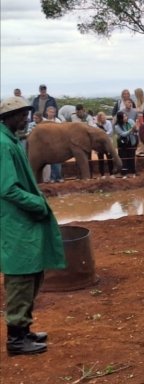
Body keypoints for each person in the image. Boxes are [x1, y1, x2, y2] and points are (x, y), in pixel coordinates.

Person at [0, 96, 66, 356]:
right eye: (21, 114)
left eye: (26, 113)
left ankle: (24, 329)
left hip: (22, 221)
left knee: (31, 275)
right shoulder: (3, 145)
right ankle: (16, 339)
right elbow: (7, 189)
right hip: (15, 222)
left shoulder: (11, 141)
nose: (26, 118)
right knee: (20, 277)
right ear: (9, 117)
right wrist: (37, 203)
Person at [42, 106, 64, 183]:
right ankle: (52, 177)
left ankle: (58, 177)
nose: (52, 113)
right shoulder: (43, 121)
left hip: (57, 143)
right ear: (46, 112)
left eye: (53, 112)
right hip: (46, 145)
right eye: (50, 112)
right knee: (49, 161)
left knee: (57, 161)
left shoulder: (58, 121)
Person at [114, 111, 138, 178]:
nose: (126, 117)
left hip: (132, 142)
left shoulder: (130, 121)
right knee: (124, 158)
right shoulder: (117, 126)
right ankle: (124, 173)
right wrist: (131, 130)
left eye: (126, 116)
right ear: (120, 119)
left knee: (132, 157)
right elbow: (123, 134)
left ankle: (132, 172)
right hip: (123, 145)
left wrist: (136, 129)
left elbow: (136, 130)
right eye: (124, 117)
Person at [94, 112, 114, 178]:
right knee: (101, 159)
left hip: (107, 143)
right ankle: (102, 174)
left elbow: (110, 132)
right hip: (100, 144)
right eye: (102, 118)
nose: (103, 119)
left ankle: (111, 173)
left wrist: (103, 135)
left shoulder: (108, 123)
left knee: (110, 159)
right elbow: (95, 134)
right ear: (99, 119)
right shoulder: (96, 125)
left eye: (104, 117)